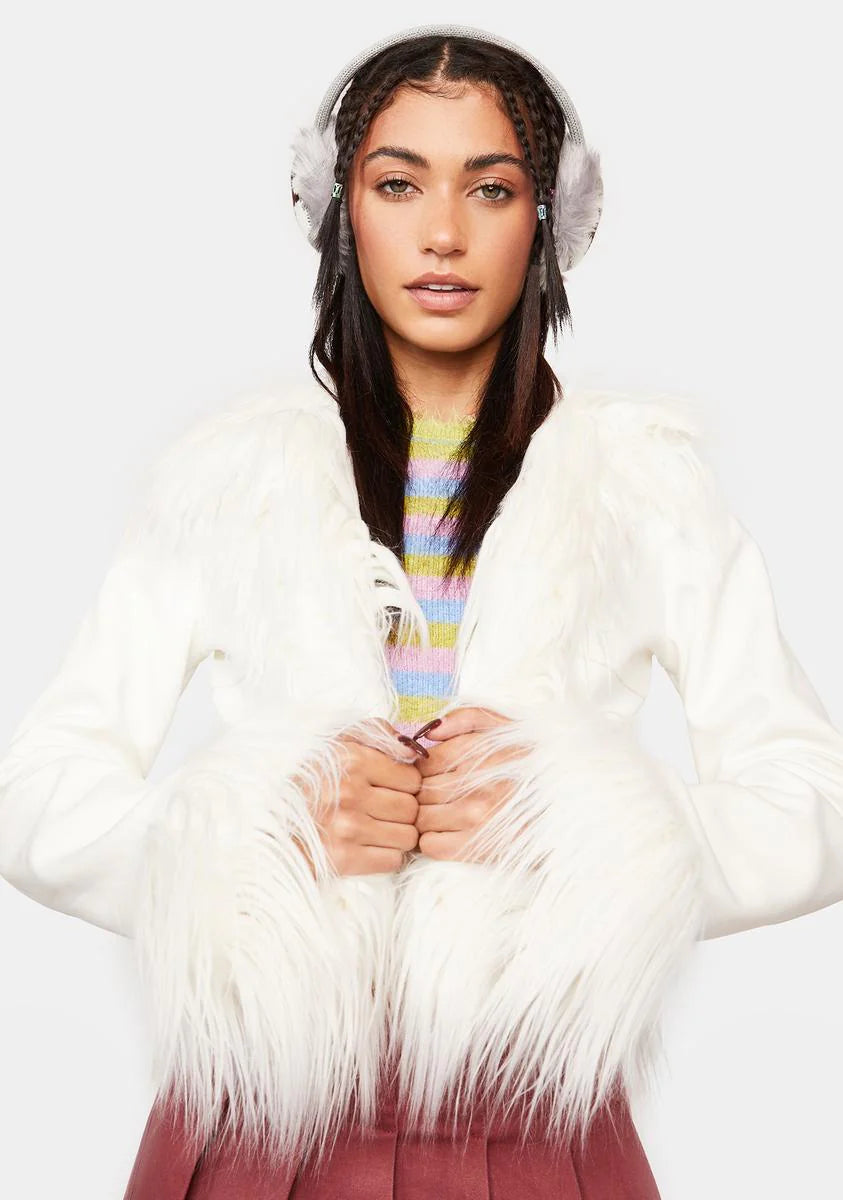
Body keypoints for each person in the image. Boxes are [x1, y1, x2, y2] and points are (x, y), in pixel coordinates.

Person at [2, 23, 843, 1200]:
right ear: (341, 209)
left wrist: (574, 826)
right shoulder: (229, 482)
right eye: (399, 184)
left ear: (548, 216)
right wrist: (265, 831)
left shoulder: (644, 491)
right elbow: (38, 792)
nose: (443, 233)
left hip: (532, 1114)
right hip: (261, 1118)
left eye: (489, 189)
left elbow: (812, 800)